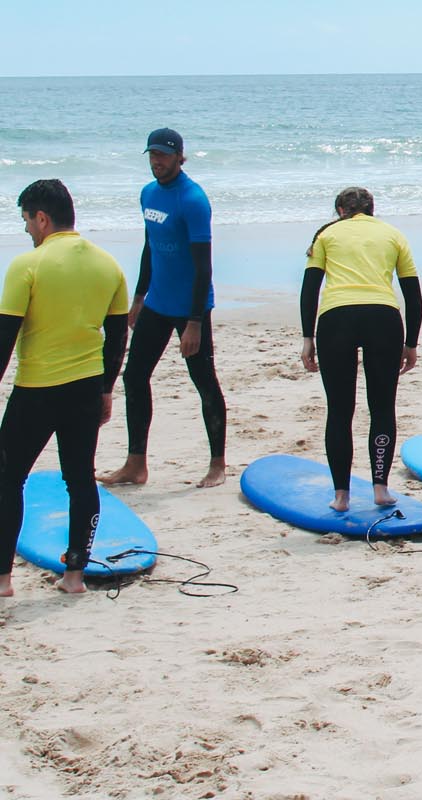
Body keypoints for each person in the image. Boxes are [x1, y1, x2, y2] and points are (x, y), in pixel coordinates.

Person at [1, 180, 130, 596]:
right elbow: (117, 339)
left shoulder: (28, 265)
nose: (26, 230)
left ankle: (3, 579)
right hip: (86, 389)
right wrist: (107, 389)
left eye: (26, 220)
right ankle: (74, 576)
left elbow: (5, 335)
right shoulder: (108, 265)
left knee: (8, 480)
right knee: (80, 479)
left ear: (42, 218)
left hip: (36, 390)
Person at [99, 128, 228, 489]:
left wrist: (195, 322)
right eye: (152, 154)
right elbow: (150, 247)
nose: (157, 161)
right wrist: (139, 297)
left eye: (164, 155)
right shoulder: (148, 194)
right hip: (157, 302)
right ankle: (135, 465)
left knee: (204, 381)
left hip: (189, 308)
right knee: (134, 376)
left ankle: (217, 463)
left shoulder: (193, 200)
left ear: (179, 157)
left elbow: (204, 266)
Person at [299, 188, 422, 512]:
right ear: (372, 209)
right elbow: (413, 293)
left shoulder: (327, 235)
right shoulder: (393, 234)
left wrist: (307, 338)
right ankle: (380, 489)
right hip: (383, 318)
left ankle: (341, 495)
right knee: (382, 407)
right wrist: (411, 342)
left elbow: (310, 289)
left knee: (339, 411)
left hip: (335, 320)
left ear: (340, 209)